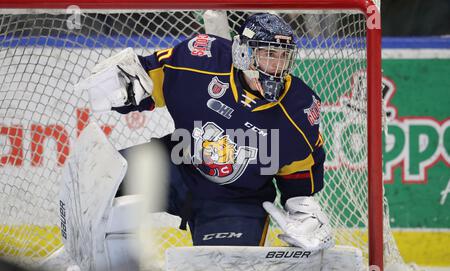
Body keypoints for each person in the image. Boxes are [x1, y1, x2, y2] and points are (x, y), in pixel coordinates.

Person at [82, 13, 333, 251]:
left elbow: (300, 170)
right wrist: (124, 85)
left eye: (283, 57)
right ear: (243, 53)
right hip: (178, 167)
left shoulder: (299, 109)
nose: (277, 66)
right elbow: (147, 81)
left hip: (236, 201)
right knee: (98, 181)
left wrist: (300, 207)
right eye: (268, 54)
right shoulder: (200, 60)